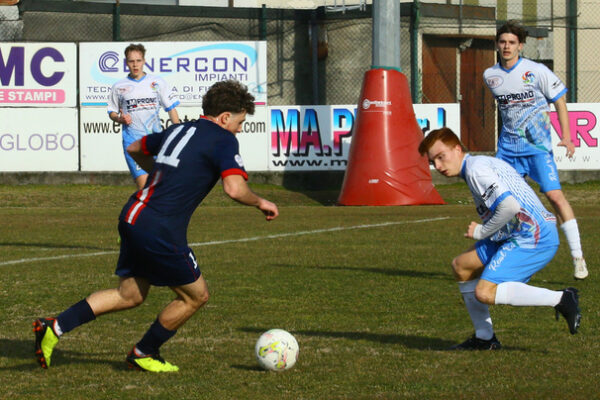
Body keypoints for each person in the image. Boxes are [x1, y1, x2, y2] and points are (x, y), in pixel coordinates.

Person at [33, 80, 279, 372]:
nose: (240, 129)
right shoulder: (223, 139)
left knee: (130, 294)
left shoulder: (178, 129)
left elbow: (136, 147)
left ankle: (55, 327)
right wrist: (261, 201)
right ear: (225, 117)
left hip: (133, 214)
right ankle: (144, 352)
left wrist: (162, 173)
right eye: (240, 122)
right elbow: (235, 189)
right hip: (158, 226)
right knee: (196, 296)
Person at [418, 127, 581, 350]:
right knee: (461, 266)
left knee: (484, 292)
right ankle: (485, 338)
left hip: (533, 235)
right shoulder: (478, 165)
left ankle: (562, 298)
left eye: (440, 157)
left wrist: (482, 231)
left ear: (457, 149)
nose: (437, 166)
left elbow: (509, 206)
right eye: (432, 161)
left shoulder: (476, 170)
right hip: (513, 232)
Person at [483, 21, 588, 280]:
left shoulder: (536, 71)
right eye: (502, 42)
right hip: (507, 151)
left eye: (511, 42)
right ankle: (510, 261)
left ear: (521, 45)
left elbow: (560, 102)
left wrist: (566, 137)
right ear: (497, 44)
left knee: (555, 197)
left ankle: (578, 257)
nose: (506, 47)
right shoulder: (490, 76)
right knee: (502, 205)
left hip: (538, 150)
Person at [108, 43, 181, 190]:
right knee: (145, 188)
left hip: (155, 141)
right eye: (131, 61)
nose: (135, 65)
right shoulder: (119, 86)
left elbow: (171, 109)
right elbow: (112, 112)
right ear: (126, 62)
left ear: (144, 61)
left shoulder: (157, 82)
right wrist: (119, 119)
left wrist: (178, 134)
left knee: (161, 187)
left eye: (138, 60)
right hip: (133, 143)